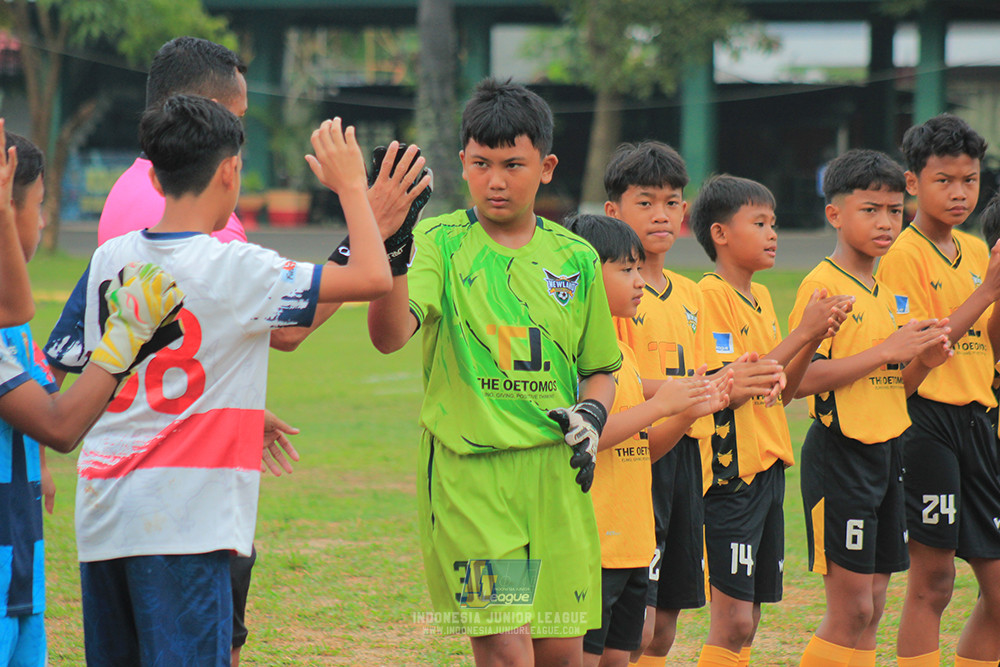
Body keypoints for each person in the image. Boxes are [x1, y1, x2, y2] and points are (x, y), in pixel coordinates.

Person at [47, 36, 430, 665]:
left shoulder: (108, 256)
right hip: (186, 519)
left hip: (105, 514)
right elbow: (366, 278)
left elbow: (91, 363)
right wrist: (354, 193)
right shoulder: (233, 264)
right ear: (228, 168)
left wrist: (228, 398)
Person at [367, 78, 622, 666]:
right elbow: (388, 336)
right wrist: (394, 248)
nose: (496, 180)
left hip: (555, 479)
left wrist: (592, 415)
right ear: (463, 163)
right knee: (508, 652)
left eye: (513, 165)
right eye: (481, 164)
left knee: (562, 656)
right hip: (472, 480)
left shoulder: (576, 257)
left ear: (547, 167)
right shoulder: (437, 242)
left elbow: (600, 369)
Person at [0, 122, 185, 667]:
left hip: (19, 571)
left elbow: (37, 406)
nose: (43, 220)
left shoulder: (14, 330)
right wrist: (123, 341)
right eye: (38, 206)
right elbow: (59, 425)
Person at [602, 142, 784, 667]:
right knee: (632, 625)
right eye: (645, 202)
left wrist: (736, 381)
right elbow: (619, 384)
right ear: (613, 211)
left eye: (671, 202)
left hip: (690, 457)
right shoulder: (613, 293)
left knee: (663, 627)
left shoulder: (690, 294)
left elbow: (704, 379)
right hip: (638, 452)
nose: (661, 214)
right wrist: (687, 390)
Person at [791, 149, 952, 667]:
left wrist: (922, 362)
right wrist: (885, 350)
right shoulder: (823, 286)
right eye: (870, 210)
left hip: (886, 454)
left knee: (875, 602)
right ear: (834, 214)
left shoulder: (884, 291)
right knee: (853, 607)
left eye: (894, 210)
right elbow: (802, 381)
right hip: (840, 456)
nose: (886, 222)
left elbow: (889, 388)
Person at [689, 174, 852, 667]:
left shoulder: (759, 297)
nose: (772, 234)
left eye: (773, 224)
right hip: (731, 477)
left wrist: (813, 337)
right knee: (733, 620)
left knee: (752, 618)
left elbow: (783, 390)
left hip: (769, 473)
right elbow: (737, 383)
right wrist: (801, 332)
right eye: (759, 223)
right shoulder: (710, 294)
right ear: (720, 233)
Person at [563, 213, 730, 667]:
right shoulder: (570, 354)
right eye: (626, 270)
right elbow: (585, 437)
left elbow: (642, 449)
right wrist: (661, 405)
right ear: (582, 276)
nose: (639, 281)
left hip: (633, 543)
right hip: (592, 545)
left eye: (639, 268)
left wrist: (686, 412)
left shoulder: (623, 354)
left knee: (626, 649)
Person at [874, 114, 1000, 667]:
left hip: (979, 420)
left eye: (969, 180)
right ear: (912, 183)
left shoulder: (975, 251)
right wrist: (987, 291)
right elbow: (925, 344)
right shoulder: (902, 255)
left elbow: (987, 342)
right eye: (943, 180)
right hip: (926, 422)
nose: (959, 193)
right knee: (934, 581)